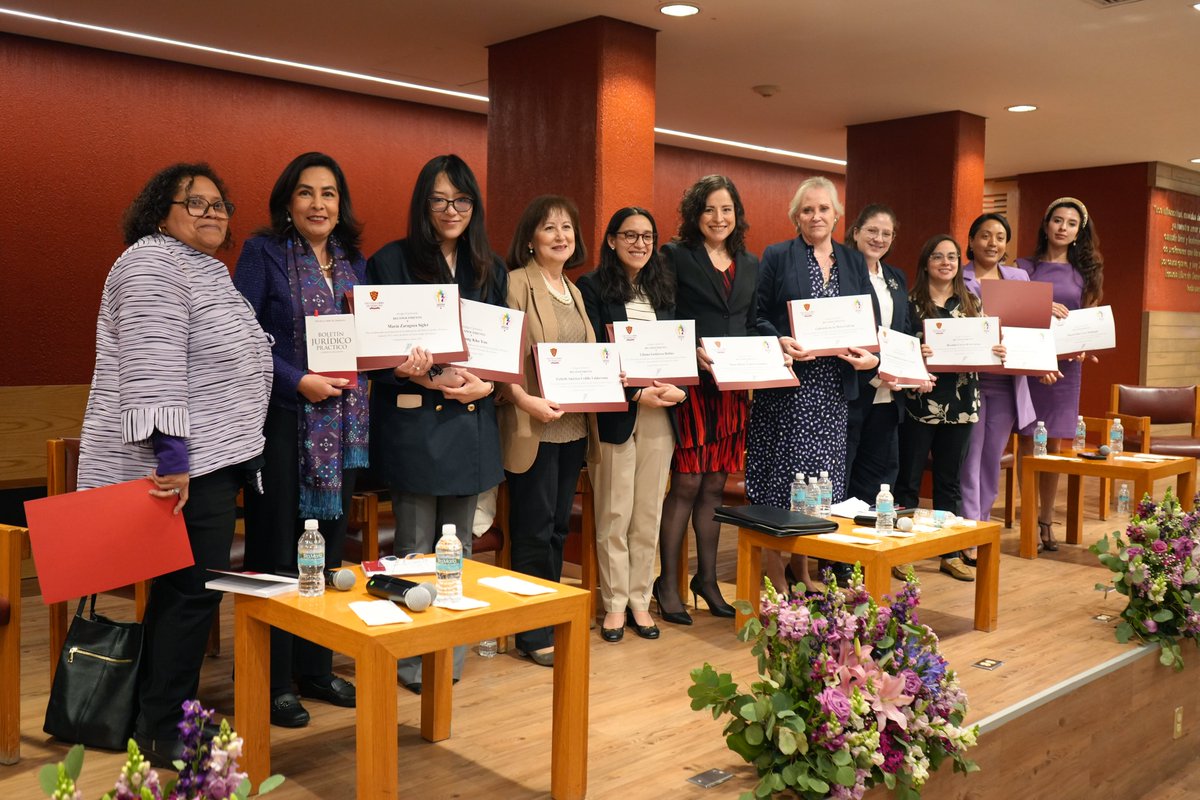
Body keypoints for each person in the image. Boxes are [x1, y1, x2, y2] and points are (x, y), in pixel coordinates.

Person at [77, 163, 272, 767]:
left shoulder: (201, 268)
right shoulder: (150, 263)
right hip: (183, 466)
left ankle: (156, 716)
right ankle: (168, 730)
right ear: (161, 210)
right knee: (190, 594)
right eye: (197, 203)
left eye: (221, 204)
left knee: (183, 593)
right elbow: (155, 364)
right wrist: (174, 457)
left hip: (214, 458)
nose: (214, 213)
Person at [233, 152, 366, 726]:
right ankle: (272, 677)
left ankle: (315, 665)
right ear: (288, 201)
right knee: (275, 549)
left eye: (329, 194)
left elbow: (374, 338)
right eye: (307, 193)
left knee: (329, 550)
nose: (319, 204)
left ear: (341, 206)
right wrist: (297, 381)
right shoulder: (262, 253)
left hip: (344, 427)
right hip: (283, 421)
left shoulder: (353, 260)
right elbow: (243, 335)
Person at [367, 155, 507, 690]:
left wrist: (488, 383)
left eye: (463, 200)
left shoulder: (486, 267)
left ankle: (448, 662)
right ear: (423, 204)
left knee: (460, 549)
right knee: (413, 547)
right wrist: (422, 378)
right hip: (415, 426)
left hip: (470, 424)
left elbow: (497, 347)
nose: (452, 210)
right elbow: (375, 355)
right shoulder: (389, 262)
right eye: (441, 200)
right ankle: (409, 660)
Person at [749, 176, 879, 595]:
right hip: (790, 387)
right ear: (796, 216)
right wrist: (778, 339)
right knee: (781, 477)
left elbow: (868, 319)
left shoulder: (852, 260)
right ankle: (773, 565)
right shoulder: (778, 255)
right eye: (808, 210)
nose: (816, 216)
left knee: (819, 481)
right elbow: (758, 316)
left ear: (837, 215)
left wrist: (869, 353)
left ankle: (802, 569)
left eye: (824, 209)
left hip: (832, 389)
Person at [498, 196, 599, 666]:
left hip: (574, 426)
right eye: (549, 228)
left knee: (559, 528)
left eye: (567, 227)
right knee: (534, 529)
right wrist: (523, 399)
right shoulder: (517, 283)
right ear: (530, 239)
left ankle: (551, 614)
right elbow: (504, 356)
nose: (561, 236)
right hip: (533, 424)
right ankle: (530, 630)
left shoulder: (574, 290)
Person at [577, 207, 684, 643]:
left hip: (662, 411)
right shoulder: (592, 287)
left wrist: (678, 389)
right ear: (611, 241)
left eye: (647, 236)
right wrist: (636, 393)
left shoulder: (663, 289)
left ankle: (641, 600)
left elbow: (676, 346)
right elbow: (594, 353)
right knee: (615, 511)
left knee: (647, 513)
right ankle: (615, 604)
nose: (639, 244)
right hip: (619, 413)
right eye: (630, 236)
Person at [656, 175, 758, 622]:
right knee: (687, 483)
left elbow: (754, 324)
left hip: (733, 388)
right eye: (710, 209)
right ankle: (669, 583)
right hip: (691, 384)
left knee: (716, 483)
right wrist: (688, 351)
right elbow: (663, 315)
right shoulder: (675, 256)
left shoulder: (750, 264)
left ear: (737, 216)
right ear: (695, 215)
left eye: (727, 210)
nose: (719, 218)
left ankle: (708, 580)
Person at [892, 235, 998, 582]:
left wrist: (995, 351)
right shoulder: (910, 303)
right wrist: (916, 350)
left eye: (952, 257)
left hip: (963, 401)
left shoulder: (971, 300)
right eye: (938, 256)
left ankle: (948, 552)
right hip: (920, 400)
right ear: (926, 263)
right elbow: (900, 347)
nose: (946, 262)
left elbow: (986, 345)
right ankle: (902, 551)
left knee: (949, 481)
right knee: (908, 480)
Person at [1015, 198, 1104, 551]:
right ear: (1046, 224)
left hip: (1066, 366)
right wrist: (1038, 306)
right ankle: (1027, 522)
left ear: (1078, 231)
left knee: (1053, 444)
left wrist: (1085, 344)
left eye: (1070, 223)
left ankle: (1046, 520)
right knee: (1026, 440)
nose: (1062, 227)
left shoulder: (1085, 273)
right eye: (1057, 220)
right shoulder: (1023, 268)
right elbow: (1012, 313)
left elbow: (1088, 320)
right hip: (1030, 362)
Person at [958, 213, 1038, 557]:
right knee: (969, 456)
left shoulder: (1018, 276)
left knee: (991, 457)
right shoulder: (957, 276)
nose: (993, 243)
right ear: (972, 241)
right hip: (969, 380)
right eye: (986, 236)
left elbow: (1030, 328)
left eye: (1000, 237)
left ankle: (983, 526)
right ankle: (967, 529)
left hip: (1006, 382)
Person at [844, 203, 910, 504]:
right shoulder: (841, 273)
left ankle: (867, 547)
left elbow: (904, 331)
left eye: (887, 233)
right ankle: (834, 552)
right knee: (843, 476)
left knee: (880, 480)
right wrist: (875, 371)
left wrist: (913, 363)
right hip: (853, 391)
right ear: (855, 232)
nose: (879, 238)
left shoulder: (896, 278)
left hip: (888, 395)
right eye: (872, 230)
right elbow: (839, 333)